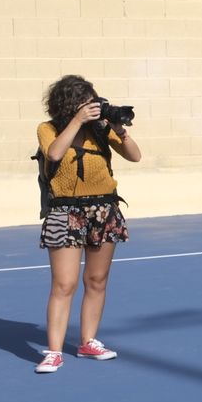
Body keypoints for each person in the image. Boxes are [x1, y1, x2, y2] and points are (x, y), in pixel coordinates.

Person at [34, 75, 142, 374]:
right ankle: (54, 351)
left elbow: (135, 156)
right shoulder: (49, 128)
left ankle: (88, 341)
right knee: (64, 284)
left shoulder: (100, 129)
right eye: (85, 103)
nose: (92, 108)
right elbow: (54, 153)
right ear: (68, 104)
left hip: (104, 209)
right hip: (65, 211)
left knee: (96, 281)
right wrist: (77, 121)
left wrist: (119, 130)